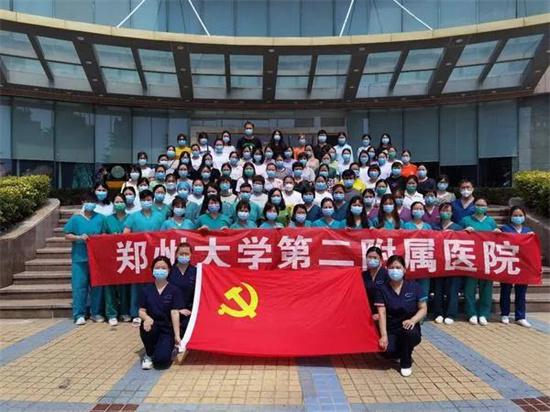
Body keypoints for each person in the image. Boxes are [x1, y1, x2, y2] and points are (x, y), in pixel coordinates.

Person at [375, 255, 427, 377]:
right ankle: (400, 351)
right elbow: (382, 313)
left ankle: (406, 362)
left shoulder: (414, 287)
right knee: (385, 350)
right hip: (391, 327)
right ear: (387, 269)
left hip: (409, 326)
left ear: (404, 269)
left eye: (398, 267)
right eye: (392, 267)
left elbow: (423, 308)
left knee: (409, 334)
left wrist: (413, 320)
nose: (395, 270)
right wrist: (384, 336)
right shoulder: (381, 289)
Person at [123, 190, 165, 325]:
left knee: (155, 284)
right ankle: (135, 313)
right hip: (138, 255)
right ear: (140, 201)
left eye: (149, 199)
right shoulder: (133, 216)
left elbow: (165, 234)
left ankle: (153, 312)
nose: (146, 202)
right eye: (144, 199)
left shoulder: (159, 216)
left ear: (152, 201)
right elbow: (125, 233)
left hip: (155, 255)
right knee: (137, 286)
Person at [64, 192, 106, 325]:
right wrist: (78, 237)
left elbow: (105, 234)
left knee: (96, 287)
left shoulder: (100, 218)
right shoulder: (76, 218)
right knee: (79, 286)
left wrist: (101, 238)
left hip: (96, 258)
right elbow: (67, 234)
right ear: (83, 202)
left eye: (93, 202)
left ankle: (96, 313)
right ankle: (79, 314)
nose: (90, 204)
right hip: (80, 258)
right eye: (88, 201)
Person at [139, 256, 182, 370]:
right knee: (145, 326)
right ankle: (148, 354)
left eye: (164, 268)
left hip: (166, 329)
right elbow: (141, 311)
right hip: (152, 325)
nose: (160, 270)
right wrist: (147, 318)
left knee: (161, 361)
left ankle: (168, 347)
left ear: (169, 270)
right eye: (157, 268)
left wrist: (177, 336)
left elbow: (174, 313)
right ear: (152, 270)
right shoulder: (146, 290)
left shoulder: (174, 290)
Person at [460, 197, 498, 326]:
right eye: (478, 205)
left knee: (486, 289)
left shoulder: (491, 222)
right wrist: (464, 231)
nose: (480, 207)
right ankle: (471, 313)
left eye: (483, 205)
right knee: (469, 288)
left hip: (487, 259)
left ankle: (483, 313)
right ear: (473, 206)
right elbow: (456, 237)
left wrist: (498, 233)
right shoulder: (466, 220)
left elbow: (497, 240)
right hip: (471, 259)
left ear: (486, 207)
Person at [500, 206, 533, 328]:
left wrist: (532, 237)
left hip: (522, 265)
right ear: (510, 217)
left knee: (521, 292)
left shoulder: (528, 230)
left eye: (520, 215)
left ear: (524, 217)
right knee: (506, 290)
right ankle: (505, 314)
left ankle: (520, 316)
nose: (518, 217)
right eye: (515, 215)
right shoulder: (505, 229)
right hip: (508, 263)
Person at [432, 202, 462, 325]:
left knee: (453, 289)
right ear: (439, 212)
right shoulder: (434, 227)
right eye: (443, 211)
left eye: (448, 211)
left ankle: (450, 314)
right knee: (438, 289)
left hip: (453, 263)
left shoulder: (458, 228)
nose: (446, 213)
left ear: (452, 213)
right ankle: (438, 313)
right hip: (438, 263)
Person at [103, 194, 131, 326]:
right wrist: (110, 237)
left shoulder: (130, 218)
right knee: (110, 286)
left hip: (126, 255)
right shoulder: (108, 219)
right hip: (110, 256)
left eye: (121, 201)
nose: (119, 204)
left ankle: (125, 312)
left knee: (124, 286)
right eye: (116, 201)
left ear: (125, 203)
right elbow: (102, 235)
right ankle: (111, 314)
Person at [403, 202, 432, 298]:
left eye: (420, 209)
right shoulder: (406, 226)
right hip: (410, 260)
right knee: (409, 287)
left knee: (424, 289)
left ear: (424, 211)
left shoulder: (428, 227)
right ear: (411, 211)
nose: (418, 211)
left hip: (424, 260)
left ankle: (424, 307)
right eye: (416, 209)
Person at [168, 243, 197, 338]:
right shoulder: (169, 271)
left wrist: (193, 310)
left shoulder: (196, 272)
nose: (184, 256)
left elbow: (199, 294)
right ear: (176, 254)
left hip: (189, 311)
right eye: (181, 254)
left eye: (186, 254)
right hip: (171, 310)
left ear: (191, 255)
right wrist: (177, 310)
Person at [362, 246, 389, 319]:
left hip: (385, 314)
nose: (372, 260)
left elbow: (391, 297)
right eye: (369, 257)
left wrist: (382, 313)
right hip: (367, 313)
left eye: (375, 258)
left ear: (381, 259)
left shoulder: (386, 274)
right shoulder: (363, 275)